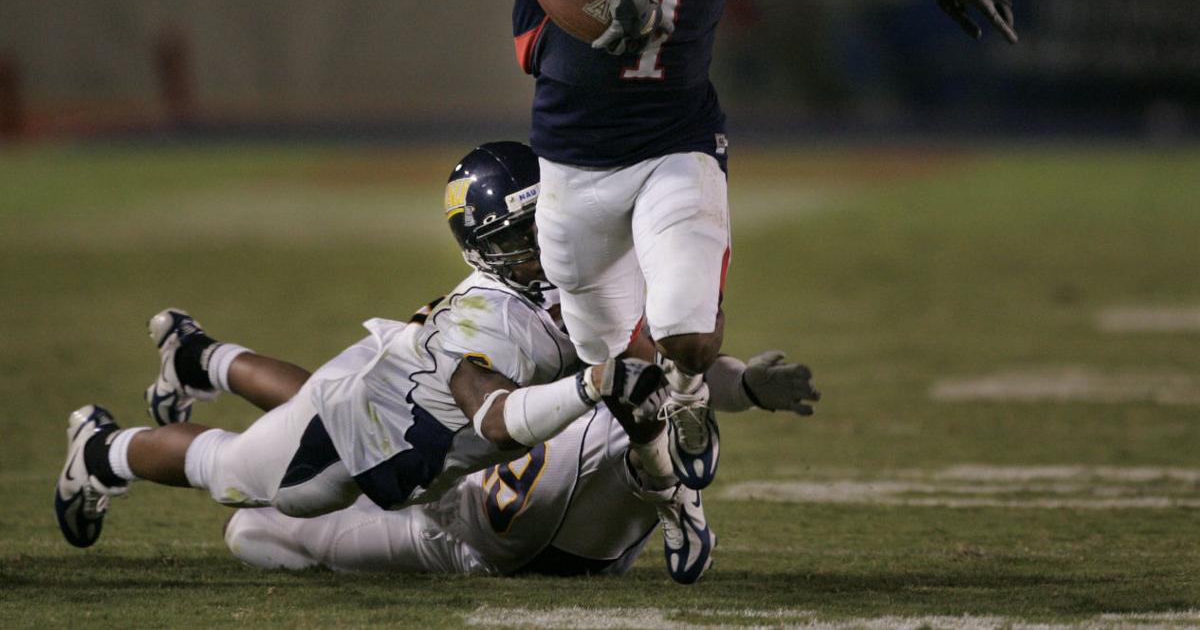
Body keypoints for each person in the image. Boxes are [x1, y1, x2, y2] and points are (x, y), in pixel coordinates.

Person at [477, 0, 1015, 496]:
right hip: (574, 162)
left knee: (687, 332)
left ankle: (694, 399)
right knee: (620, 380)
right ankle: (672, 489)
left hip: (679, 137)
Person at [53, 141, 820, 584]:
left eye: (543, 226)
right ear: (486, 250)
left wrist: (745, 383)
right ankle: (101, 452)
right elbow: (493, 416)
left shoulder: (575, 275)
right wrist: (590, 383)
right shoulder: (493, 316)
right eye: (521, 238)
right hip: (376, 434)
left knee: (313, 399)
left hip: (405, 406)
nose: (542, 249)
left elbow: (652, 370)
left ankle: (199, 356)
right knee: (235, 474)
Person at [219, 349, 817, 578]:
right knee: (333, 422)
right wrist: (746, 388)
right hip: (455, 498)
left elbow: (679, 370)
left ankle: (206, 363)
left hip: (461, 539)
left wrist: (745, 386)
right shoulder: (582, 338)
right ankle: (207, 362)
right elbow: (674, 371)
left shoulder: (644, 434)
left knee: (255, 527)